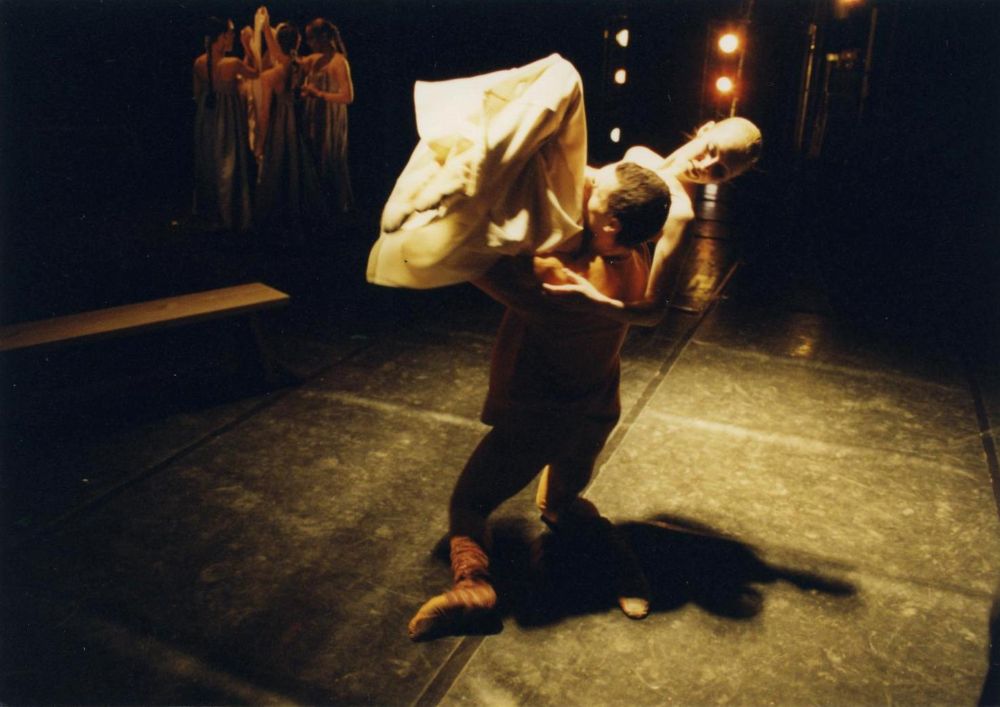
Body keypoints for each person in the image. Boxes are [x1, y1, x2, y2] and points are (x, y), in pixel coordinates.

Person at [407, 159, 669, 641]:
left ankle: (474, 588)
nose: (588, 180)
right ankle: (619, 563)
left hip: (545, 414)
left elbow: (462, 258)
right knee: (560, 503)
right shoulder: (637, 253)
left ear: (611, 222)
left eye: (596, 186)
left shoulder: (559, 277)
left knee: (469, 503)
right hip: (598, 405)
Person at [367, 54, 761, 327]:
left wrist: (595, 301)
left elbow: (654, 311)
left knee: (564, 86)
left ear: (725, 181)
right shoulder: (643, 154)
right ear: (706, 129)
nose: (706, 165)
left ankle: (462, 176)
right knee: (560, 77)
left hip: (576, 236)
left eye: (719, 170)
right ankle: (457, 172)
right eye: (711, 151)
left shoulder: (680, 213)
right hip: (574, 202)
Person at [252, 9, 328, 242]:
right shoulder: (300, 66)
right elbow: (284, 57)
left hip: (279, 127)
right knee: (297, 172)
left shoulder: (270, 76)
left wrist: (260, 143)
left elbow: (265, 113)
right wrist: (267, 29)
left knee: (277, 172)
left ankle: (276, 227)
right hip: (297, 124)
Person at [192, 16, 259, 233]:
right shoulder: (232, 63)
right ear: (221, 37)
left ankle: (211, 214)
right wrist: (248, 46)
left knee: (210, 162)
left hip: (207, 119)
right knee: (228, 163)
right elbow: (256, 72)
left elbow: (197, 94)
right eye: (230, 33)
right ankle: (229, 215)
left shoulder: (199, 63)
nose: (232, 37)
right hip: (226, 120)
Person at [301, 19, 355, 215]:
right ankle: (318, 207)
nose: (309, 43)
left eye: (311, 38)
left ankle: (335, 208)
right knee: (314, 156)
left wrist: (319, 94)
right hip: (314, 114)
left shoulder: (339, 62)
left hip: (330, 116)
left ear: (324, 37)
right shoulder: (315, 59)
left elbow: (347, 96)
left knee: (329, 157)